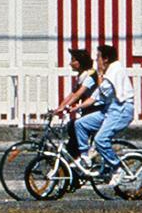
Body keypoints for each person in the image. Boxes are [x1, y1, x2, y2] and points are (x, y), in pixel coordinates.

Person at [69, 44, 135, 182]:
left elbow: (103, 90)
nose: (96, 59)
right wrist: (76, 107)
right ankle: (85, 157)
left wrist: (99, 73)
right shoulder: (109, 73)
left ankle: (117, 168)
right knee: (80, 124)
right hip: (109, 109)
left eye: (98, 57)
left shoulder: (115, 72)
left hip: (121, 110)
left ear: (105, 59)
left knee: (100, 140)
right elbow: (94, 97)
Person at [54, 48, 100, 156]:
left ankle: (82, 156)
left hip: (95, 110)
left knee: (75, 127)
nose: (70, 63)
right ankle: (76, 159)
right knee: (72, 128)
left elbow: (78, 94)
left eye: (73, 60)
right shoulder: (82, 76)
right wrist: (59, 107)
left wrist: (64, 107)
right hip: (88, 111)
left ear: (80, 62)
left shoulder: (90, 75)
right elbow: (71, 94)